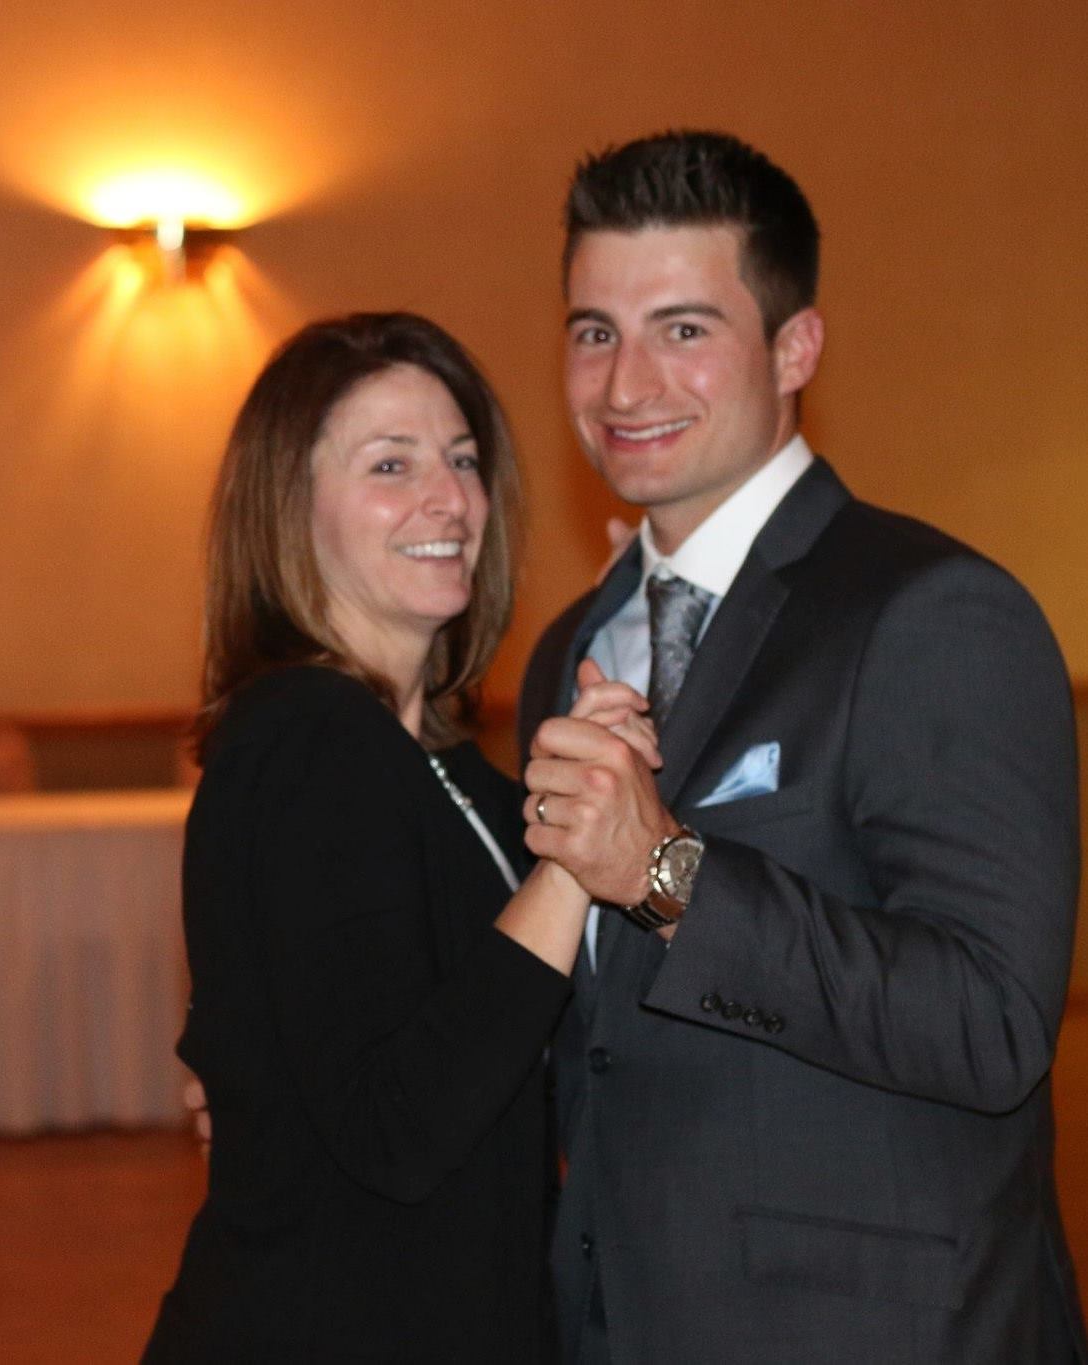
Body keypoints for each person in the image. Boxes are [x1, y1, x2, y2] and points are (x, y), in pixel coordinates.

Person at [520, 131, 1086, 1362]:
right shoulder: (573, 643)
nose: (624, 387)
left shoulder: (931, 612)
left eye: (682, 329)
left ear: (795, 348)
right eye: (593, 332)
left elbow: (990, 1024)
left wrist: (669, 873)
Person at [141, 312, 654, 1362]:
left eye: (462, 460)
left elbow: (506, 1043)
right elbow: (400, 1124)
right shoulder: (307, 739)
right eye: (392, 464)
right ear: (294, 509)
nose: (448, 500)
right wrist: (572, 855)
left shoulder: (445, 765)